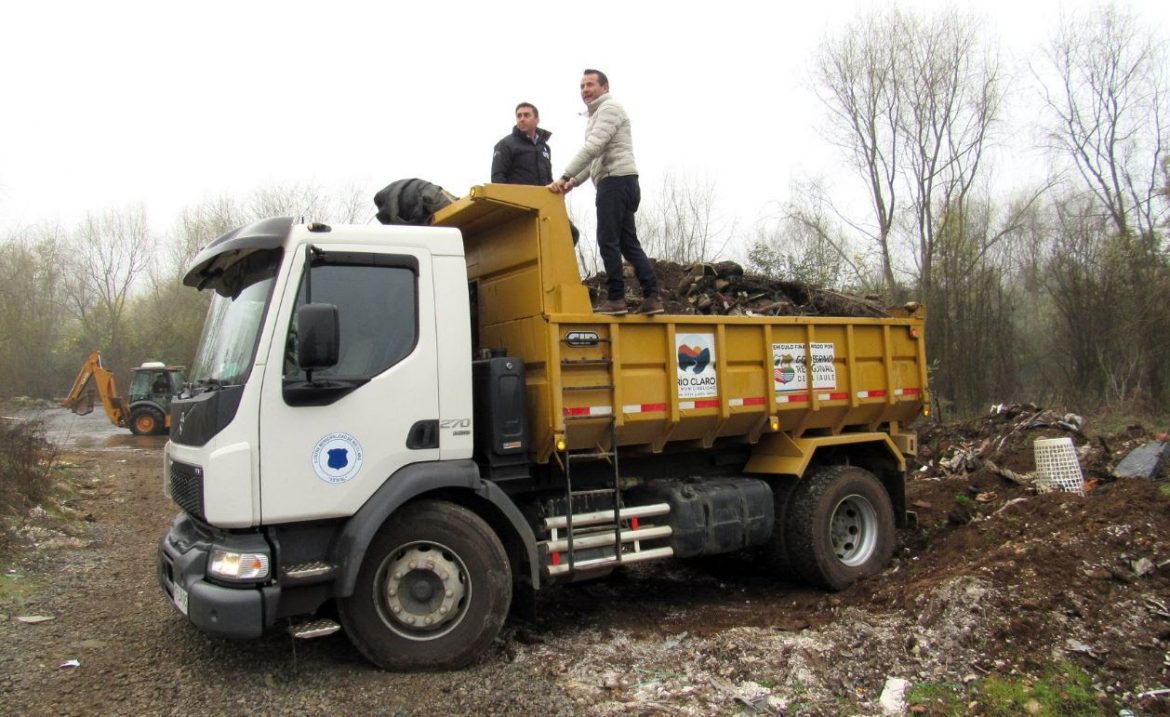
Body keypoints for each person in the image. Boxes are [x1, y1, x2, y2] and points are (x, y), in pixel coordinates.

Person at [548, 69, 661, 316]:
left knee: (607, 240)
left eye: (590, 85)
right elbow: (596, 156)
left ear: (605, 87)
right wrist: (574, 181)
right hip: (624, 182)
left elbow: (593, 147)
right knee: (628, 243)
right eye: (582, 86)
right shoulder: (600, 114)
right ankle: (652, 297)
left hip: (615, 183)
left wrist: (565, 175)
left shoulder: (609, 109)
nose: (585, 90)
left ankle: (616, 299)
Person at [492, 102, 553, 186]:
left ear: (537, 119)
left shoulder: (544, 147)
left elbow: (549, 179)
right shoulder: (505, 144)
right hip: (515, 197)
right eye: (519, 116)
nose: (522, 119)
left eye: (526, 115)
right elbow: (497, 178)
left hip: (540, 197)